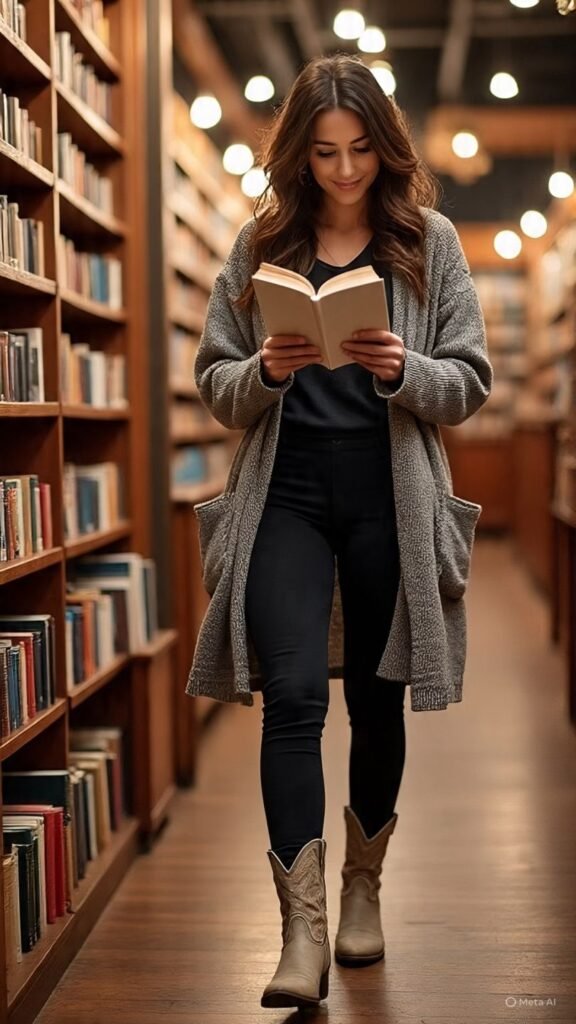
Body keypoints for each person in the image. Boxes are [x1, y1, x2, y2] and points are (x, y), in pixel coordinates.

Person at [185, 54, 493, 1010]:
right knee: (290, 700)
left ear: (385, 147)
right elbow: (214, 378)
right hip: (285, 496)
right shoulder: (262, 241)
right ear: (298, 155)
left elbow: (471, 379)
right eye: (325, 152)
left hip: (388, 497)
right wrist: (267, 373)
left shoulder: (426, 241)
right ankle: (302, 931)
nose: (346, 170)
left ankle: (363, 890)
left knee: (375, 696)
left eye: (361, 149)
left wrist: (406, 369)